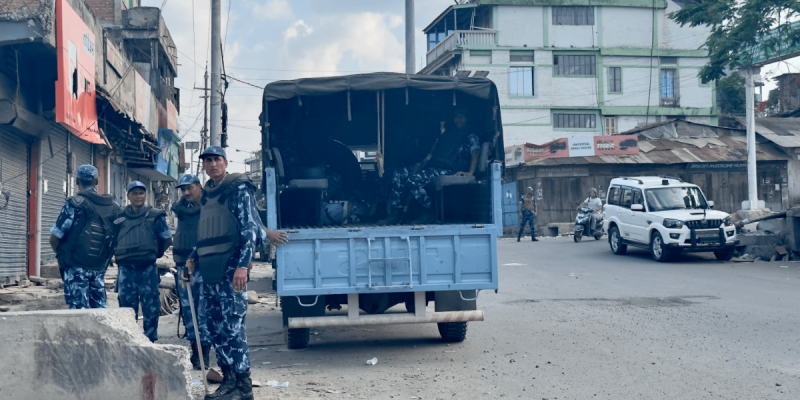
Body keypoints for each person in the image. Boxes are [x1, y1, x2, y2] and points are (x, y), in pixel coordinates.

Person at [185, 146, 288, 400]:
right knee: (215, 328)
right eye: (207, 161)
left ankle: (243, 385)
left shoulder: (238, 189)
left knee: (232, 328)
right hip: (210, 272)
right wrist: (192, 257)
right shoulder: (208, 194)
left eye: (216, 160)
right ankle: (228, 380)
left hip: (232, 270)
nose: (212, 164)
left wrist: (243, 266)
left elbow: (249, 230)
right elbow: (208, 233)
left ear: (225, 162)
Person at [387, 108, 481, 223]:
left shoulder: (471, 136)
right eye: (457, 116)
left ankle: (429, 212)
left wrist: (470, 172)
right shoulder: (448, 135)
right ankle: (396, 212)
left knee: (414, 180)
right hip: (436, 167)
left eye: (462, 116)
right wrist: (419, 165)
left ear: (468, 119)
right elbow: (432, 154)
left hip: (451, 170)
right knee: (399, 173)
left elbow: (475, 153)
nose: (459, 120)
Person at [49, 165, 121, 309]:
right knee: (100, 313)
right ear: (96, 181)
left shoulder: (74, 204)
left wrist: (63, 256)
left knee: (78, 312)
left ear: (77, 181)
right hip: (99, 266)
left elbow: (54, 238)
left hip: (75, 267)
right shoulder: (114, 207)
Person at [115, 181, 173, 342]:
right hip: (126, 269)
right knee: (126, 308)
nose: (138, 196)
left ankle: (150, 340)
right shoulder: (119, 217)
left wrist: (156, 253)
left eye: (141, 193)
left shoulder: (155, 215)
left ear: (145, 195)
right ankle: (131, 340)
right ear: (128, 196)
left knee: (151, 307)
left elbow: (167, 238)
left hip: (147, 268)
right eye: (134, 193)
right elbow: (113, 239)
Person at [172, 173, 211, 370]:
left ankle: (205, 353)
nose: (186, 192)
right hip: (183, 267)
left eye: (190, 188)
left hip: (204, 266)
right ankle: (196, 352)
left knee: (204, 311)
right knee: (188, 311)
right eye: (183, 189)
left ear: (199, 186)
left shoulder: (211, 204)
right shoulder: (181, 209)